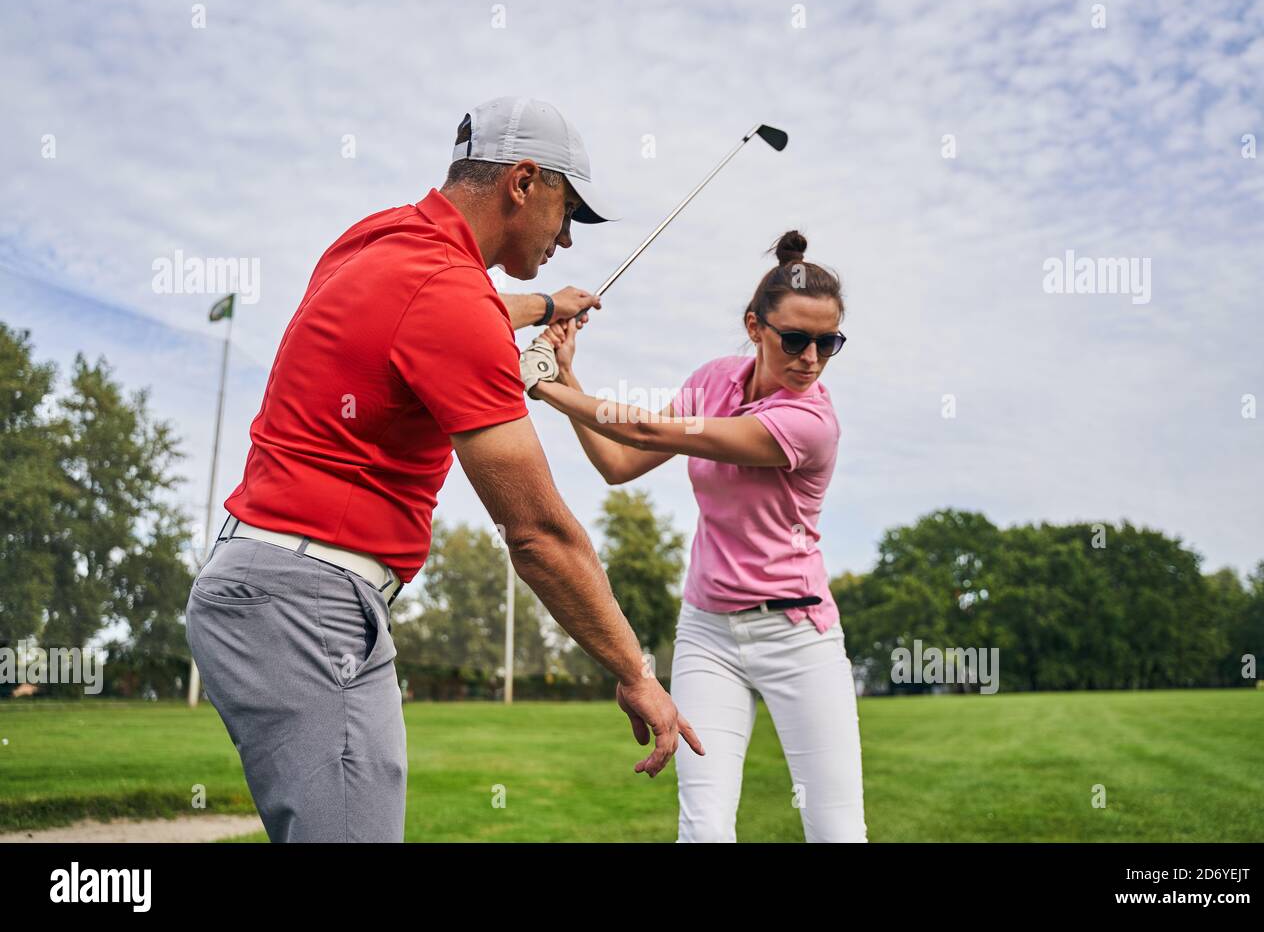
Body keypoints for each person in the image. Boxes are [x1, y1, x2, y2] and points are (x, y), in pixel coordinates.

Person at [185, 96, 703, 843]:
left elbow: (450, 307)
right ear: (523, 181)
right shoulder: (450, 297)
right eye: (569, 210)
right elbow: (537, 535)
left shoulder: (375, 240)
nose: (567, 235)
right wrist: (634, 671)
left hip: (284, 587)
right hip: (307, 602)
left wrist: (543, 306)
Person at [522, 230, 865, 842]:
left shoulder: (810, 422)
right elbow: (618, 465)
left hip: (797, 636)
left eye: (827, 343)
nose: (810, 357)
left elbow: (655, 433)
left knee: (836, 831)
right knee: (702, 829)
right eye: (795, 338)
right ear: (755, 326)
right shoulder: (715, 379)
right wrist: (567, 375)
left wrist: (542, 387)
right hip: (708, 633)